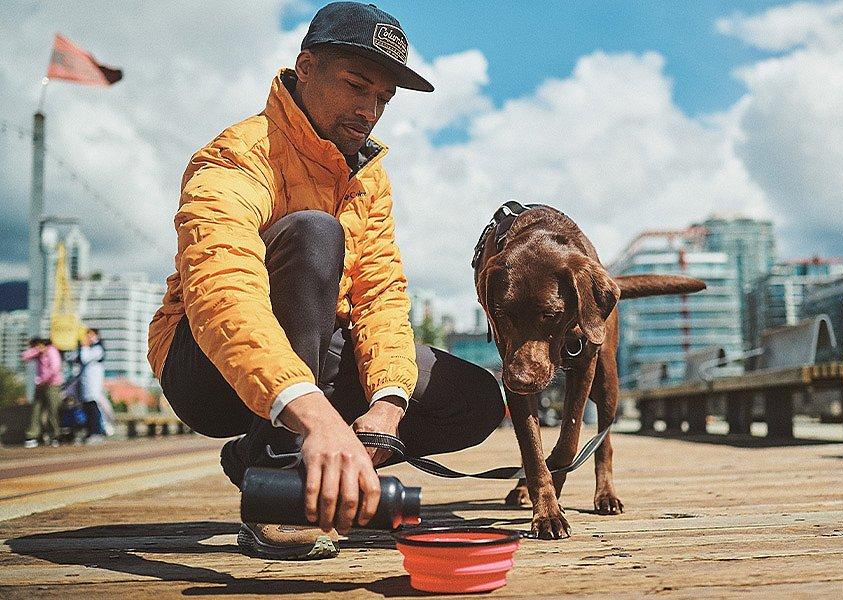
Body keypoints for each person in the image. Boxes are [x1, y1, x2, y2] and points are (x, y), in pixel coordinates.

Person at [147, 2, 505, 560]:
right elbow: (224, 294)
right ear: (305, 66)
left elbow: (380, 293)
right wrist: (313, 414)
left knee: (476, 398)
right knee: (314, 234)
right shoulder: (238, 155)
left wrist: (387, 406)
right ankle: (284, 476)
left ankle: (293, 465)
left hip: (317, 355)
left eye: (383, 99)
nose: (370, 110)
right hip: (206, 367)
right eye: (357, 86)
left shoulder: (369, 173)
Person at [22, 338, 64, 448]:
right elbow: (25, 356)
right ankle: (33, 436)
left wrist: (44, 379)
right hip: (41, 386)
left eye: (39, 346)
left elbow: (55, 368)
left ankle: (55, 436)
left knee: (52, 410)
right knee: (36, 409)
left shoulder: (52, 351)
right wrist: (37, 350)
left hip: (52, 385)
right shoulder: (39, 353)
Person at [75, 328, 113, 444]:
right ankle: (90, 432)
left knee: (93, 408)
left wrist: (85, 346)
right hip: (86, 385)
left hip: (93, 385)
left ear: (96, 336)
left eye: (90, 335)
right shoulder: (90, 349)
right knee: (87, 408)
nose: (88, 338)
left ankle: (96, 432)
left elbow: (85, 358)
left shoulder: (97, 349)